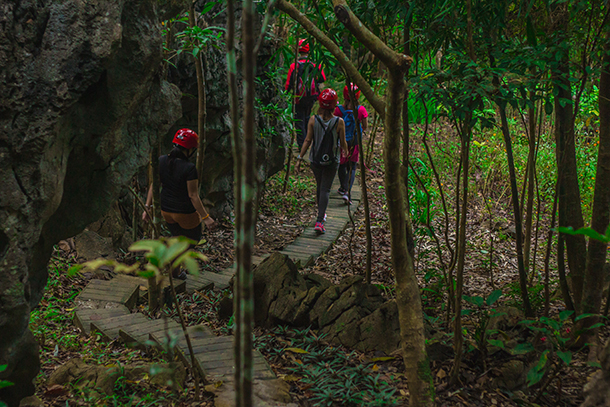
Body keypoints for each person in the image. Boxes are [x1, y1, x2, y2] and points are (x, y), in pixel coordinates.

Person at [143, 128, 216, 247]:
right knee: (191, 241)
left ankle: (172, 262)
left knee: (176, 240)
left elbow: (154, 185)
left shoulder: (161, 160)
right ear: (190, 149)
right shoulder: (189, 168)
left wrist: (147, 207)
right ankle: (171, 261)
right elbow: (193, 196)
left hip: (166, 211)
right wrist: (206, 217)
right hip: (184, 212)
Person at [296, 89, 348, 234]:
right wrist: (346, 152)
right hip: (332, 161)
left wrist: (300, 158)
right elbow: (343, 143)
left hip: (315, 160)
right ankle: (320, 220)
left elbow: (307, 140)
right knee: (325, 189)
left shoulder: (313, 120)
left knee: (320, 187)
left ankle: (321, 214)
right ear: (334, 106)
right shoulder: (339, 122)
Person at [285, 39, 326, 149]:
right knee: (307, 117)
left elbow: (288, 84)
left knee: (299, 120)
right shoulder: (314, 65)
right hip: (312, 97)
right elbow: (322, 78)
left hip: (298, 97)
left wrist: (285, 94)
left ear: (298, 50)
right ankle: (309, 143)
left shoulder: (294, 66)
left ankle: (302, 145)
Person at [334, 83, 368, 205]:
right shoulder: (361, 110)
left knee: (342, 165)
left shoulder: (338, 110)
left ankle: (343, 188)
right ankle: (348, 191)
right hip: (355, 141)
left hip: (342, 142)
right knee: (352, 167)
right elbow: (365, 126)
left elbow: (335, 126)